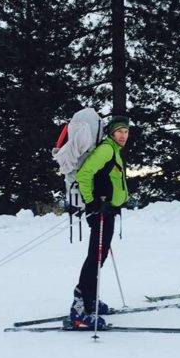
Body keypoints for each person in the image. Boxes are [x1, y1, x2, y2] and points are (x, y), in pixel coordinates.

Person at [69, 116, 130, 329]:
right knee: (95, 257)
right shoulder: (106, 149)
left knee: (99, 256)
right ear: (111, 133)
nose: (123, 135)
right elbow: (84, 174)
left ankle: (90, 299)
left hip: (108, 210)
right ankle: (80, 308)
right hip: (100, 211)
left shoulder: (113, 150)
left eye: (126, 132)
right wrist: (92, 203)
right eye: (119, 131)